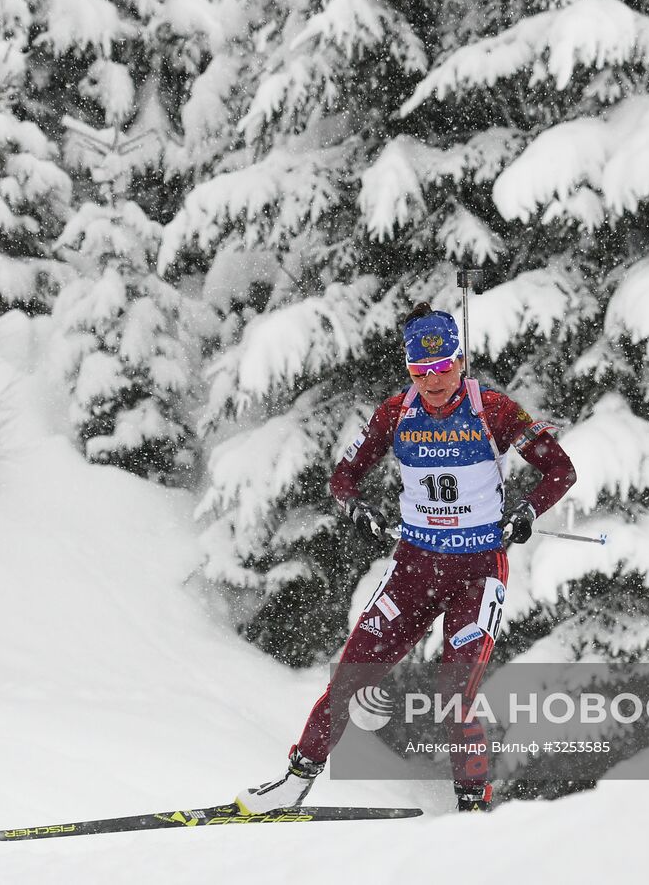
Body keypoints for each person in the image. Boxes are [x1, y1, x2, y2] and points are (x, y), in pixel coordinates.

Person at [236, 303, 577, 815]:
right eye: (421, 372)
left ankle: (473, 806)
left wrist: (526, 512)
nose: (433, 383)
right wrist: (359, 511)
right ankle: (293, 783)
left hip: (476, 573)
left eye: (442, 370)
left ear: (459, 362)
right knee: (351, 677)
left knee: (454, 690)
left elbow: (560, 470)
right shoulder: (396, 413)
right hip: (414, 572)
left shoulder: (494, 410)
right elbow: (342, 479)